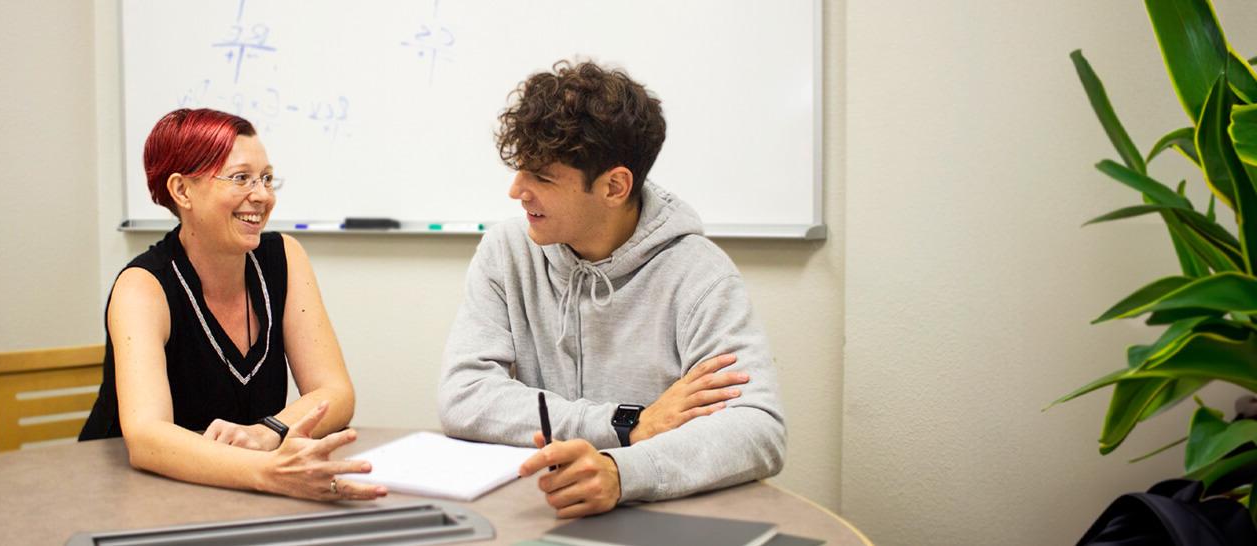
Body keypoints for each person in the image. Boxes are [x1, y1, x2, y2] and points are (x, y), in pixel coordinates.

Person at [437, 60, 786, 518]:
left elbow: (757, 430)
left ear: (614, 186)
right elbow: (464, 395)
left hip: (658, 518)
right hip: (539, 512)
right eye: (519, 170)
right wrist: (627, 424)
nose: (516, 191)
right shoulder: (506, 251)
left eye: (541, 177)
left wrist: (622, 471)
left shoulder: (699, 275)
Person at [79, 108, 386, 502]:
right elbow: (146, 439)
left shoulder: (284, 257)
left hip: (234, 493)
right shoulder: (142, 286)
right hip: (131, 495)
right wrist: (269, 472)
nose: (262, 196)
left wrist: (266, 432)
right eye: (241, 178)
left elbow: (336, 392)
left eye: (267, 178)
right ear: (182, 191)